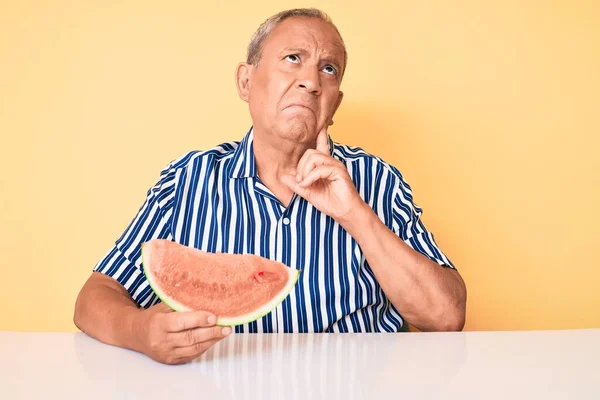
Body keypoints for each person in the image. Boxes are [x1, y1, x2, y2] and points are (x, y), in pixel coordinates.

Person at [74, 8, 467, 365]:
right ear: (246, 81)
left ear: (335, 103)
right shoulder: (187, 179)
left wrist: (356, 216)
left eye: (328, 69)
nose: (311, 81)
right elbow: (94, 296)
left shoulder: (378, 180)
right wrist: (139, 332)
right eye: (293, 59)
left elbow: (447, 316)